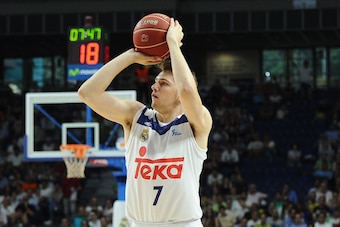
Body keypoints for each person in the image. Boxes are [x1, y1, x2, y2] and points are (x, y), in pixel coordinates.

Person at [78, 17, 213, 227]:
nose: (154, 87)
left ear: (179, 96)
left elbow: (187, 89)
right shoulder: (136, 116)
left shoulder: (197, 122)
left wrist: (173, 45)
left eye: (164, 84)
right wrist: (130, 56)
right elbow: (87, 93)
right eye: (155, 82)